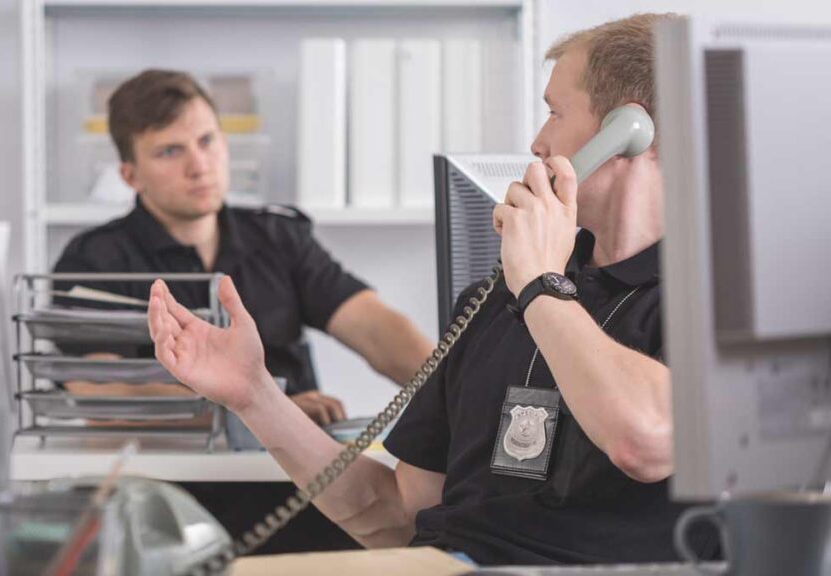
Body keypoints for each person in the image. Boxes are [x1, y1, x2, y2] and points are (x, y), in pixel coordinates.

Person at [147, 13, 717, 566]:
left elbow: (644, 440)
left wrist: (542, 283)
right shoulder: (496, 301)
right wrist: (252, 394)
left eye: (554, 112)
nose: (538, 141)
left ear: (627, 133)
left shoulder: (714, 299)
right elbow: (395, 514)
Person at [52, 69, 434, 552]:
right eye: (170, 151)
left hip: (300, 491)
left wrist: (458, 396)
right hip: (164, 506)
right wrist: (264, 408)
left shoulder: (278, 238)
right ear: (129, 174)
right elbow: (99, 390)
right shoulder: (92, 261)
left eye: (207, 141)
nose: (200, 165)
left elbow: (377, 331)